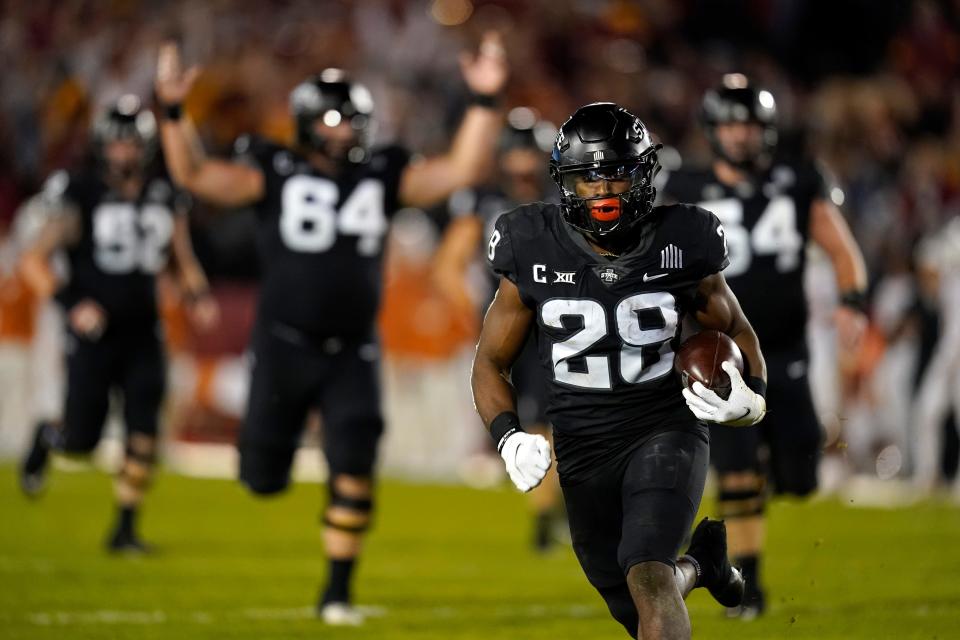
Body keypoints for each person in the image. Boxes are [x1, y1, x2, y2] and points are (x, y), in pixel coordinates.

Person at [154, 35, 508, 625]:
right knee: (261, 479)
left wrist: (484, 100)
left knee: (355, 463)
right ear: (307, 122)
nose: (347, 131)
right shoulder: (273, 168)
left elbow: (462, 168)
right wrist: (171, 112)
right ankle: (274, 476)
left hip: (353, 349)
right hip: (282, 345)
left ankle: (336, 594)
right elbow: (193, 172)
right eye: (336, 119)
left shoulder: (381, 173)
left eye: (355, 120)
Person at [472, 101, 767, 640]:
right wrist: (508, 436)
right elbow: (490, 361)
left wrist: (754, 394)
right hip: (581, 444)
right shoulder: (530, 242)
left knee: (649, 575)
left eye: (617, 175)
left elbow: (738, 329)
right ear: (566, 182)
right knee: (631, 601)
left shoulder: (683, 239)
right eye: (589, 179)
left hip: (663, 427)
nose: (604, 191)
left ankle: (686, 568)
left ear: (645, 174)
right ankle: (702, 566)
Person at [660, 74, 868, 617]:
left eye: (749, 125)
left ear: (767, 131)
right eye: (730, 125)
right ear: (712, 129)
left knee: (800, 478)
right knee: (736, 470)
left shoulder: (799, 180)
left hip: (786, 349)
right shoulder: (687, 185)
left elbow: (841, 248)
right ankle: (748, 585)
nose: (739, 136)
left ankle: (772, 477)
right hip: (721, 351)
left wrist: (852, 301)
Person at [18, 95, 217, 552]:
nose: (123, 153)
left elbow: (179, 258)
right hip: (94, 332)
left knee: (144, 428)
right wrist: (72, 303)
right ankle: (49, 436)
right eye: (116, 145)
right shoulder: (80, 191)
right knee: (82, 440)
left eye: (131, 145)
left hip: (144, 328)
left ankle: (125, 527)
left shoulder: (164, 192)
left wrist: (197, 294)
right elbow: (34, 261)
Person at [433, 108, 565, 551]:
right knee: (537, 421)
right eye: (517, 154)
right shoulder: (485, 200)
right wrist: (479, 313)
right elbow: (450, 265)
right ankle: (547, 512)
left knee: (562, 421)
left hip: (565, 320)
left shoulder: (566, 197)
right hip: (514, 325)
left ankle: (554, 509)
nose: (524, 165)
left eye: (531, 154)